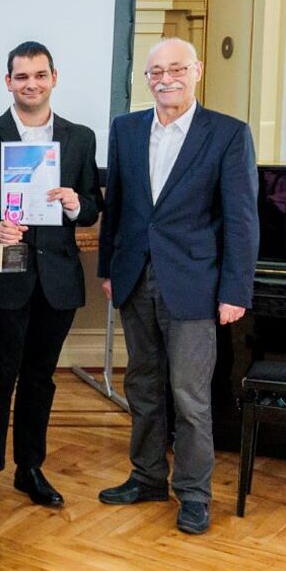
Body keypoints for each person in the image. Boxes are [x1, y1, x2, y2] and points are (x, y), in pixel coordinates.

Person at [97, 37, 258, 536]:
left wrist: (235, 290)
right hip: (134, 278)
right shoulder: (125, 130)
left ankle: (193, 492)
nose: (165, 79)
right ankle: (147, 476)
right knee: (141, 385)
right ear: (145, 79)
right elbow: (117, 209)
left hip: (195, 284)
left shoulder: (228, 134)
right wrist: (107, 269)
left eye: (176, 69)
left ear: (197, 71)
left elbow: (241, 219)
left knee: (189, 395)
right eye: (155, 71)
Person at [0, 41, 100, 510]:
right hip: (3, 275)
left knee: (40, 377)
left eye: (40, 75)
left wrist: (75, 203)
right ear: (8, 82)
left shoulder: (80, 138)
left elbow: (92, 209)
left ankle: (30, 468)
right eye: (21, 77)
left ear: (54, 78)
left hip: (57, 280)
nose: (31, 84)